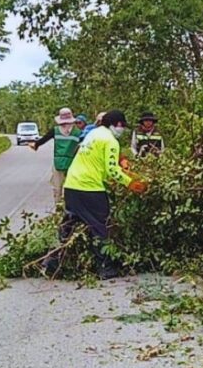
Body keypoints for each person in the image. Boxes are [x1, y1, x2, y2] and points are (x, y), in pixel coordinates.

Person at [47, 110, 148, 279]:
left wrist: (120, 159)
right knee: (100, 226)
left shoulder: (93, 134)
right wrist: (130, 183)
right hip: (90, 188)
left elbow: (100, 158)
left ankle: (53, 262)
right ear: (117, 125)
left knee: (70, 226)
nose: (122, 130)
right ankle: (105, 268)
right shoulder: (110, 140)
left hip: (72, 185)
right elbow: (111, 170)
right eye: (121, 126)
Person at [30, 107, 83, 202]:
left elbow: (43, 140)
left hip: (58, 163)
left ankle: (58, 207)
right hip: (73, 164)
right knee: (71, 188)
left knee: (57, 189)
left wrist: (35, 145)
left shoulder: (55, 131)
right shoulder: (78, 133)